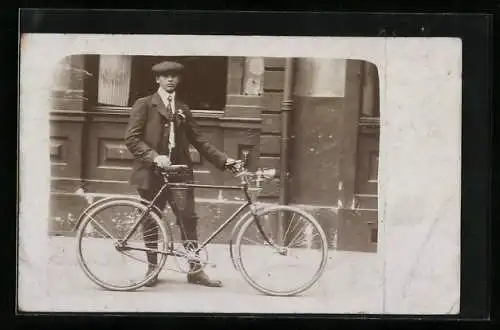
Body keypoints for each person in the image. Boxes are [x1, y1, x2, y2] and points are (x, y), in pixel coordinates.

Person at [125, 60, 237, 288]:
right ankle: (152, 269)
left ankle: (195, 270)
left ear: (179, 79)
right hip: (152, 172)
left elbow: (200, 140)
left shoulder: (183, 108)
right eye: (165, 76)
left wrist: (225, 161)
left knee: (188, 220)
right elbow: (132, 139)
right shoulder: (145, 105)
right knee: (151, 220)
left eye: (175, 76)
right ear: (157, 79)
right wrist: (154, 157)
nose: (170, 79)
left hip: (179, 172)